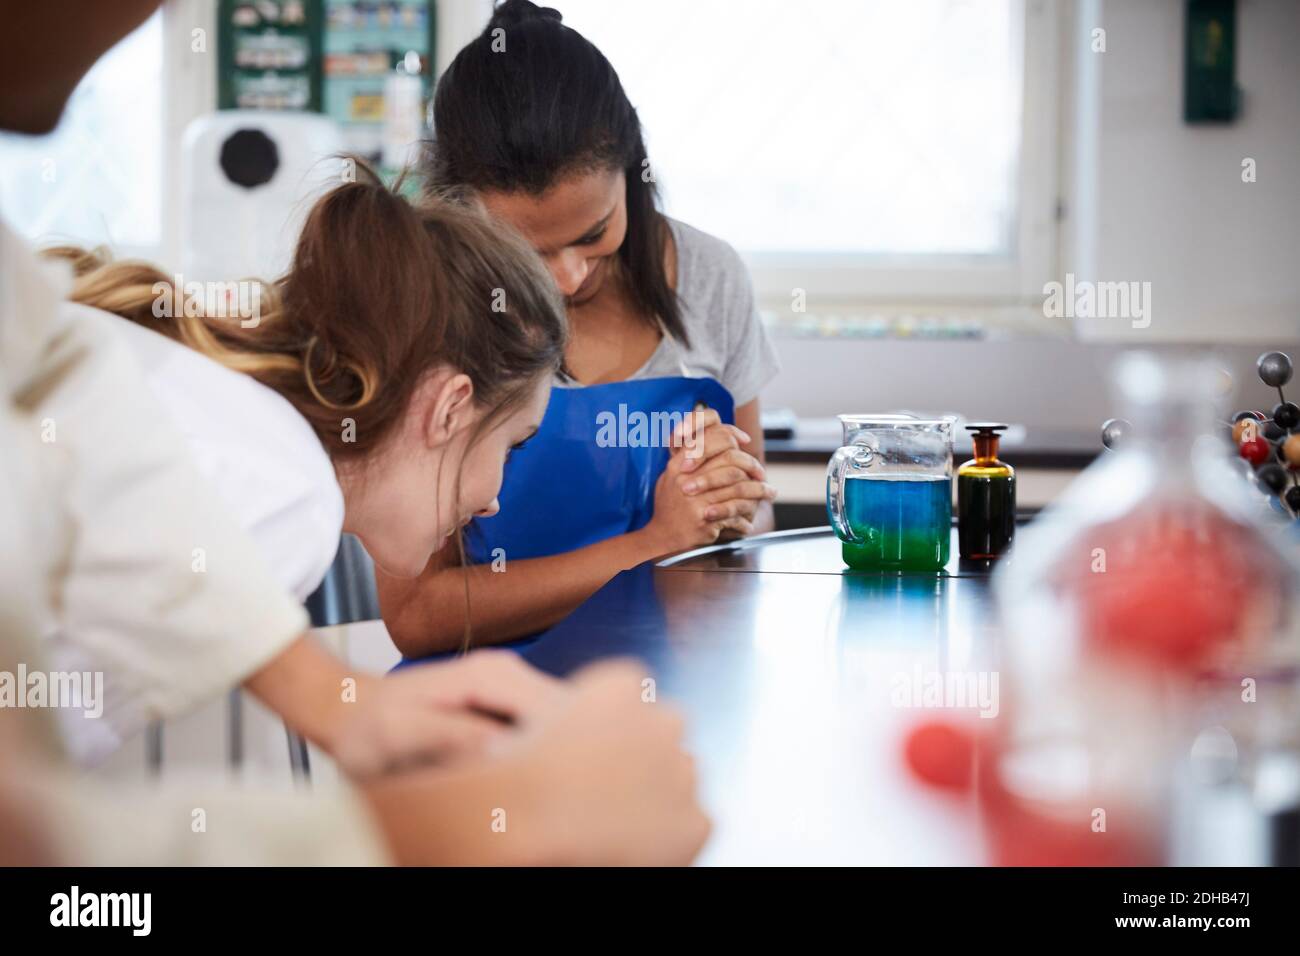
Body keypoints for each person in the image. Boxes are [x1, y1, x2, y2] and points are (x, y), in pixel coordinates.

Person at [0, 0, 708, 865]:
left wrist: (340, 699)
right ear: (447, 407)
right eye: (509, 447)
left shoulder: (235, 432)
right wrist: (495, 817)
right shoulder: (286, 493)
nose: (492, 496)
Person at [379, 0, 782, 656]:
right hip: (479, 702)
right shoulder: (427, 309)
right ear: (458, 207)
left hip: (674, 672)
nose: (567, 277)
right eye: (526, 248)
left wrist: (724, 507)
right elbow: (418, 613)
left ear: (632, 168)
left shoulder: (712, 276)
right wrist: (652, 545)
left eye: (594, 233)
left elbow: (753, 511)